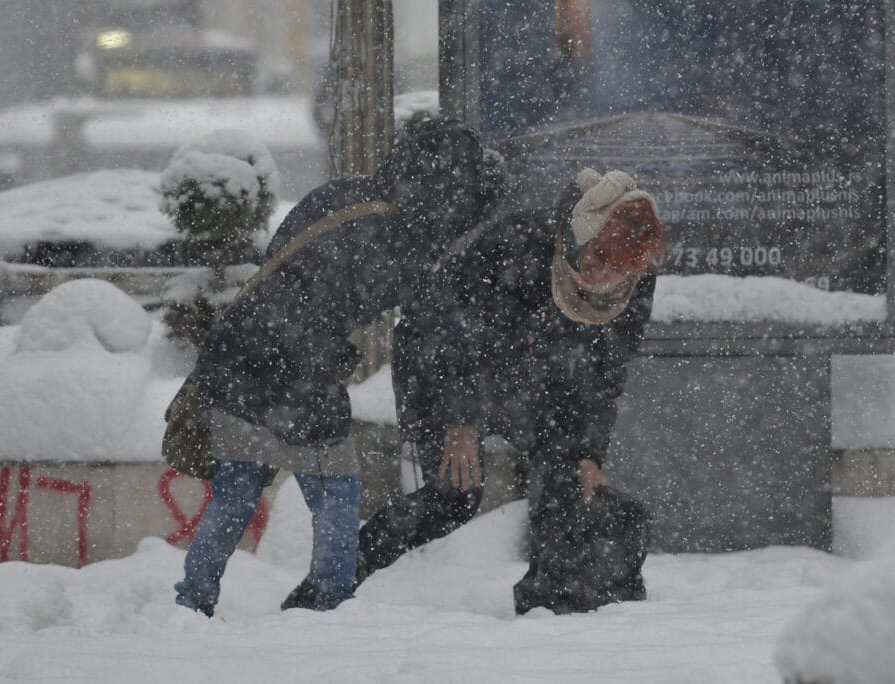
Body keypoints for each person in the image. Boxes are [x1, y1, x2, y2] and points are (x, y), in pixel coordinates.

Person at [173, 117, 503, 617]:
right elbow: (437, 330)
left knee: (236, 493)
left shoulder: (346, 194)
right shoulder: (407, 240)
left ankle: (188, 606)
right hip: (296, 368)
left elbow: (285, 270)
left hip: (236, 348)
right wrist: (460, 417)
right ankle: (330, 608)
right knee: (337, 496)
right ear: (452, 191)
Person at [356, 168, 664, 614]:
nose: (603, 272)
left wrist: (589, 454)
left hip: (541, 378)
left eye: (618, 267)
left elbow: (603, 375)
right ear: (585, 232)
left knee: (567, 478)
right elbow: (463, 337)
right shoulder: (523, 242)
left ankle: (548, 604)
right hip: (444, 363)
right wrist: (462, 422)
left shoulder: (635, 283)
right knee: (452, 495)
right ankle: (337, 578)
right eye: (598, 254)